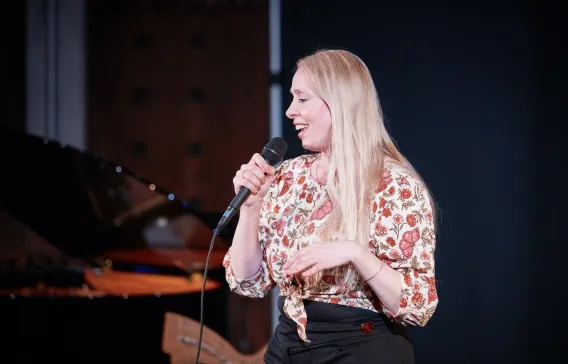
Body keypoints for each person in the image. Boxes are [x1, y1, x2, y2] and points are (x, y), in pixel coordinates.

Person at [222, 49, 438, 364]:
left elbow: (417, 306)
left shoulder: (392, 185)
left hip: (359, 348)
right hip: (288, 347)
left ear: (339, 102)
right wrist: (251, 208)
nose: (289, 111)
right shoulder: (288, 176)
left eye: (302, 99)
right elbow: (248, 282)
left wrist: (355, 253)